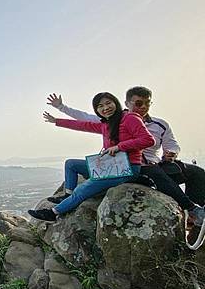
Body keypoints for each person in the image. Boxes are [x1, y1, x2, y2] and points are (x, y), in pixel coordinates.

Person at [47, 87, 205, 237]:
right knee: (155, 174)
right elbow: (84, 120)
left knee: (195, 172)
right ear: (127, 103)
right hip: (132, 166)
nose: (143, 106)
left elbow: (170, 144)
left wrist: (171, 153)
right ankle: (191, 209)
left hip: (153, 162)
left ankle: (195, 215)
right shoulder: (115, 120)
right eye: (138, 103)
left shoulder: (159, 124)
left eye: (147, 103)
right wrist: (61, 108)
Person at [28, 92, 155, 223]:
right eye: (100, 106)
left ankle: (53, 213)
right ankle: (68, 196)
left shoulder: (130, 118)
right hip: (111, 165)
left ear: (115, 103)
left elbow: (148, 140)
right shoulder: (107, 123)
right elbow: (83, 125)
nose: (105, 108)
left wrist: (119, 147)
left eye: (108, 103)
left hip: (127, 168)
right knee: (71, 164)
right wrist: (57, 121)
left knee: (84, 187)